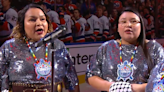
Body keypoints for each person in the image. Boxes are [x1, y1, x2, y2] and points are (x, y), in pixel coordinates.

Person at [0, 4, 80, 92]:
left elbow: (72, 81)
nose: (39, 23)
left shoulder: (58, 45)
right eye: (32, 20)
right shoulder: (9, 47)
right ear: (22, 24)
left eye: (42, 19)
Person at [85, 7, 164, 92]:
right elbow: (91, 75)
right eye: (123, 22)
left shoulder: (154, 48)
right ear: (118, 27)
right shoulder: (106, 47)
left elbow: (160, 80)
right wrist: (111, 86)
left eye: (133, 21)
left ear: (141, 26)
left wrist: (132, 88)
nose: (128, 25)